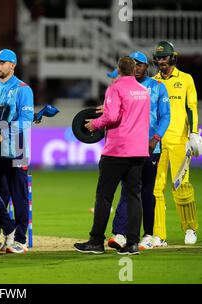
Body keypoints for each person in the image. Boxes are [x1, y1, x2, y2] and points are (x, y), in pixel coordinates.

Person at [74, 56, 150, 255]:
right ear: (134, 70)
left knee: (104, 197)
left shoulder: (115, 88)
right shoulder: (143, 92)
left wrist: (94, 124)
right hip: (139, 151)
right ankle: (133, 243)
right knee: (134, 196)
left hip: (117, 151)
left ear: (118, 70)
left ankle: (96, 241)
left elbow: (112, 116)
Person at [103, 51, 170, 250]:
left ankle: (148, 234)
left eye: (140, 64)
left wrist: (155, 138)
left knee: (147, 191)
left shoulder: (158, 87)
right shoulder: (124, 86)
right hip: (130, 147)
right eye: (134, 64)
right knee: (128, 191)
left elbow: (165, 116)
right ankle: (121, 233)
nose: (137, 67)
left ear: (146, 66)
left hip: (150, 146)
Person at [0, 49, 34, 254]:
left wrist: (3, 132)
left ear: (12, 65)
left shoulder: (23, 89)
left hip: (17, 148)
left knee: (18, 195)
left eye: (2, 63)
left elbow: (26, 121)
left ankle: (19, 240)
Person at [151, 41, 202, 246]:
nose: (162, 61)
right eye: (159, 58)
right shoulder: (153, 82)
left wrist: (193, 133)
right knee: (156, 189)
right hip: (157, 142)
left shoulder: (186, 79)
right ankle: (158, 235)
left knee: (181, 186)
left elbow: (191, 108)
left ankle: (190, 229)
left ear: (173, 58)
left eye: (165, 57)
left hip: (180, 141)